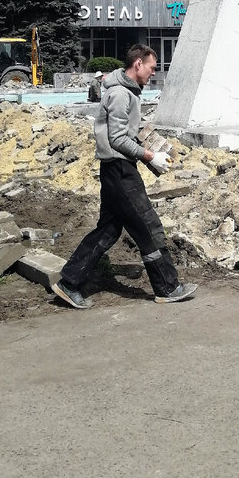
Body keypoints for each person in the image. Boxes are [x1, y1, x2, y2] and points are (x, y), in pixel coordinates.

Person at [51, 45, 197, 308]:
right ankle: (167, 287)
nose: (153, 73)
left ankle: (69, 282)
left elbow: (127, 131)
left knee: (107, 231)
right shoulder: (120, 94)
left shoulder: (126, 92)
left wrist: (151, 147)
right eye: (152, 67)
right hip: (120, 172)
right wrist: (149, 156)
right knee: (148, 226)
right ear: (138, 64)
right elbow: (117, 138)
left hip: (115, 170)